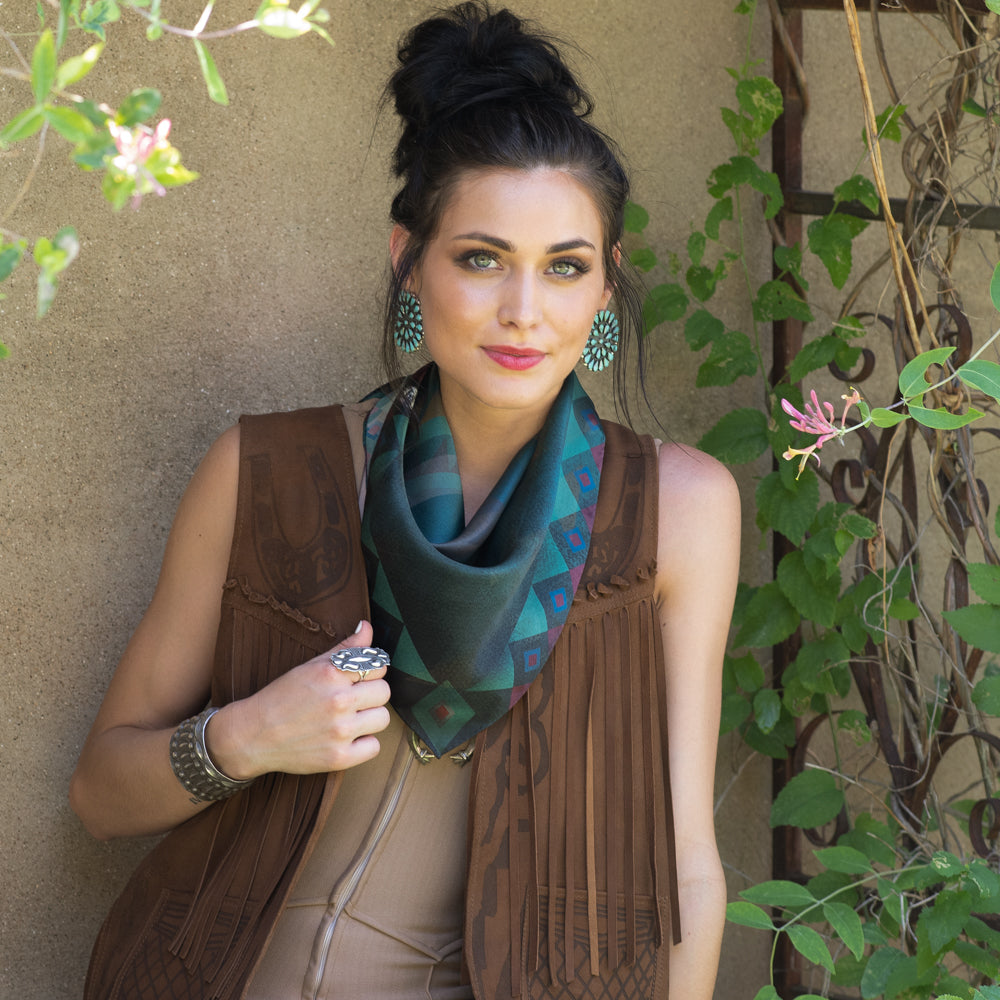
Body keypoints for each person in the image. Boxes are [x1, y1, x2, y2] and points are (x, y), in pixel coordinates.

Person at [69, 4, 740, 998]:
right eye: (481, 259)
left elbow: (683, 864)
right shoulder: (269, 472)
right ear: (408, 261)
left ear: (604, 292)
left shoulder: (677, 511)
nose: (523, 311)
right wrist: (248, 735)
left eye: (564, 267)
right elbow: (101, 795)